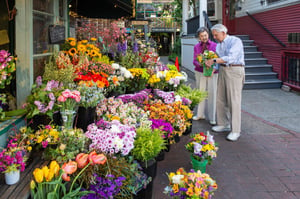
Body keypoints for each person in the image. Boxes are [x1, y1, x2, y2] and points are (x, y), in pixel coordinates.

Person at [205, 24, 245, 141]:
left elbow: (231, 57)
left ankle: (235, 130)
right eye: (213, 35)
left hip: (235, 69)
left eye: (216, 35)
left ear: (223, 32)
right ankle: (223, 124)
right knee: (220, 99)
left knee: (234, 101)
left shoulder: (235, 41)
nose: (215, 37)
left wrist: (213, 60)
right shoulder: (218, 46)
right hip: (223, 70)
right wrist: (212, 68)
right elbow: (218, 61)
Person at [192, 27, 218, 126]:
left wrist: (213, 69)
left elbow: (218, 60)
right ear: (199, 37)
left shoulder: (215, 45)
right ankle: (200, 114)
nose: (204, 37)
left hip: (212, 73)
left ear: (208, 35)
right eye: (202, 36)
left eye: (205, 35)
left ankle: (212, 117)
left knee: (212, 94)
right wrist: (201, 63)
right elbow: (194, 60)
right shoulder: (196, 47)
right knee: (201, 93)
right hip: (200, 72)